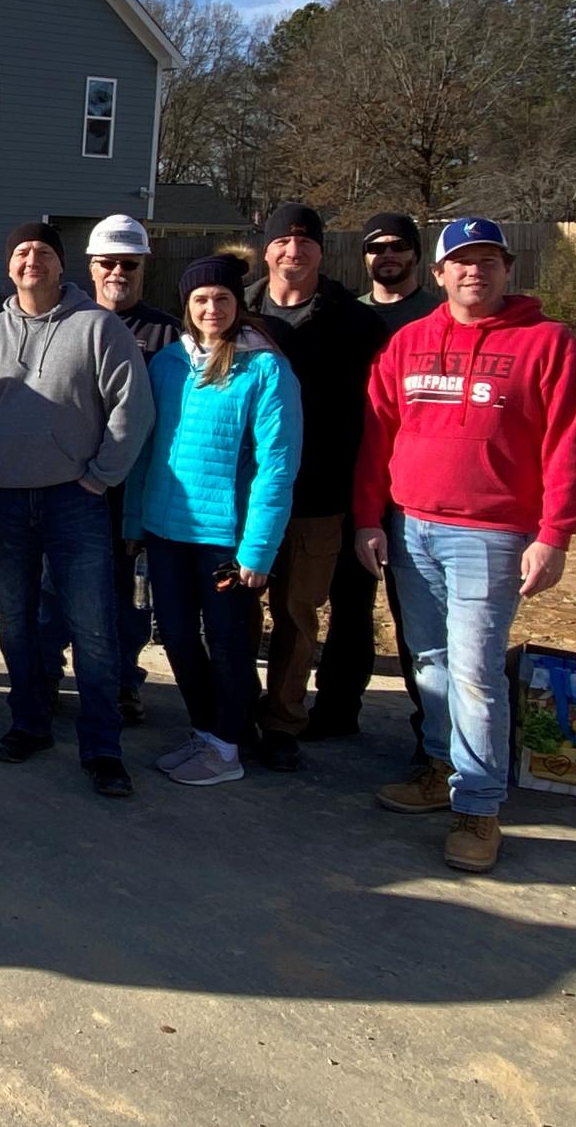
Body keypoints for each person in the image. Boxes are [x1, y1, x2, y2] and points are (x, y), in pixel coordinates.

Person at [355, 218, 576, 874]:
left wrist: (555, 535)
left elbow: (568, 447)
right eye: (461, 262)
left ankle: (479, 807)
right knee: (428, 660)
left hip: (489, 535)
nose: (475, 272)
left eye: (488, 260)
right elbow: (378, 436)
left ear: (508, 269)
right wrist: (369, 518)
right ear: (439, 275)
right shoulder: (408, 343)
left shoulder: (549, 346)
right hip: (410, 525)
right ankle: (439, 769)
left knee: (475, 672)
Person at [0, 221, 154, 798]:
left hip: (74, 501)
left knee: (93, 627)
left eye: (43, 252)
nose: (31, 260)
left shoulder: (99, 328)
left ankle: (103, 747)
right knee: (16, 621)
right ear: (9, 266)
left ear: (64, 266)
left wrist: (98, 480)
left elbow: (131, 412)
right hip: (3, 502)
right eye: (21, 252)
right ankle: (29, 723)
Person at [124, 255, 301, 787]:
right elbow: (145, 448)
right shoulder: (167, 364)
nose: (211, 308)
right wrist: (134, 522)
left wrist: (258, 549)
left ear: (238, 304)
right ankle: (206, 732)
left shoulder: (264, 367)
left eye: (222, 298)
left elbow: (278, 464)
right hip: (165, 528)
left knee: (227, 643)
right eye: (200, 300)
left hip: (224, 536)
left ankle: (227, 747)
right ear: (187, 307)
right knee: (176, 637)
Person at [243, 202, 386, 772]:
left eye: (305, 242)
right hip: (246, 496)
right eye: (282, 241)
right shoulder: (239, 310)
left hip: (319, 496)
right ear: (267, 248)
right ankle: (235, 708)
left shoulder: (355, 323)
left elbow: (376, 417)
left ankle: (281, 721)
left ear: (322, 251)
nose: (293, 252)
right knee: (237, 612)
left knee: (298, 616)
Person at [39, 214, 181, 725]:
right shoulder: (61, 322)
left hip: (130, 495)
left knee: (126, 600)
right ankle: (47, 678)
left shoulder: (167, 334)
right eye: (108, 262)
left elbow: (169, 425)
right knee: (50, 593)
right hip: (62, 488)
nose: (118, 271)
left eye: (129, 263)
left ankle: (122, 683)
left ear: (144, 266)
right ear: (91, 266)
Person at [315, 211, 445, 752]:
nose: (386, 255)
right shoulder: (349, 315)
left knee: (419, 617)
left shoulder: (438, 317)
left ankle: (432, 729)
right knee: (349, 605)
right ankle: (337, 708)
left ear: (416, 254)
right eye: (375, 248)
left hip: (415, 489)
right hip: (355, 479)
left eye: (397, 246)